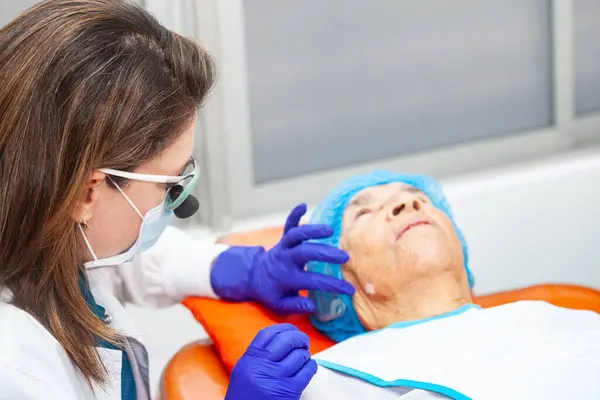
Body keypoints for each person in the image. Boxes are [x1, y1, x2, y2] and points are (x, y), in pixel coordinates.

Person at [0, 1, 353, 399]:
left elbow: (115, 252)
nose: (182, 203)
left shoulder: (40, 232)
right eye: (169, 184)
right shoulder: (14, 367)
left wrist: (238, 268)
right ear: (86, 193)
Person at [298, 171, 600, 399]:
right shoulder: (321, 381)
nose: (407, 202)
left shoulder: (566, 322)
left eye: (421, 199)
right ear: (334, 281)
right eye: (363, 213)